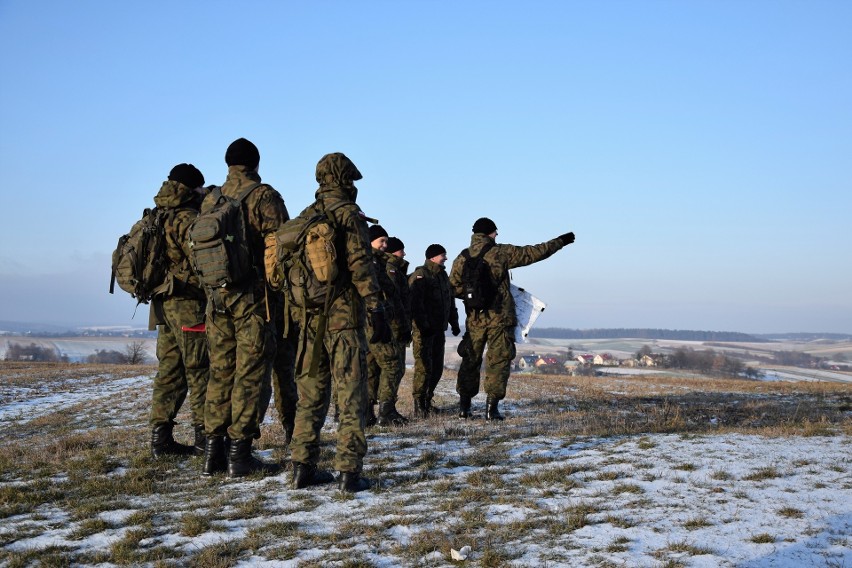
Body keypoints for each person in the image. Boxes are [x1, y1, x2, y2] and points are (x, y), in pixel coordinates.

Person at [289, 152, 392, 493]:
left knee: (310, 396)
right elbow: (361, 266)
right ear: (346, 180)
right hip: (344, 321)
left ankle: (302, 466)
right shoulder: (349, 216)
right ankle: (349, 472)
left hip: (307, 320)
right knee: (351, 396)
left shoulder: (306, 216)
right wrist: (376, 310)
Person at [200, 138, 288, 478]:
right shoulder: (264, 195)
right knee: (251, 375)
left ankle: (213, 454)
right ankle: (240, 456)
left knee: (220, 373)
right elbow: (281, 247)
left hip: (217, 299)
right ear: (256, 163)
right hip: (253, 300)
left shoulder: (211, 198)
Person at [449, 217, 574, 421]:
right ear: (489, 233)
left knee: (470, 360)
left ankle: (464, 407)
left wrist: (475, 296)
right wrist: (560, 241)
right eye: (495, 232)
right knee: (498, 361)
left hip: (475, 319)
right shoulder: (500, 252)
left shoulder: (461, 257)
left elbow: (453, 287)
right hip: (500, 317)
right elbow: (533, 253)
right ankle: (492, 409)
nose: (497, 235)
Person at [149, 163, 210, 458]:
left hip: (162, 306)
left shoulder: (156, 215)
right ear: (192, 188)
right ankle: (205, 439)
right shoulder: (187, 218)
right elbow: (202, 264)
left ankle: (160, 440)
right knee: (199, 370)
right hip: (188, 305)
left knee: (169, 372)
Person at [409, 244, 460, 418]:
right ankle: (418, 404)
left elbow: (450, 301)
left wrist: (454, 323)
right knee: (424, 368)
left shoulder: (443, 276)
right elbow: (415, 303)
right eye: (442, 255)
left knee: (437, 368)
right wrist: (423, 325)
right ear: (432, 257)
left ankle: (428, 401)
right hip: (424, 331)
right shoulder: (421, 275)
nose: (445, 258)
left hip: (439, 330)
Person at [365, 226, 409, 427]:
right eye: (381, 241)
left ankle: (366, 413)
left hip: (374, 323)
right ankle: (386, 412)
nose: (385, 245)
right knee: (393, 364)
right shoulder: (370, 263)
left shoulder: (376, 262)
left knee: (371, 368)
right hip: (375, 323)